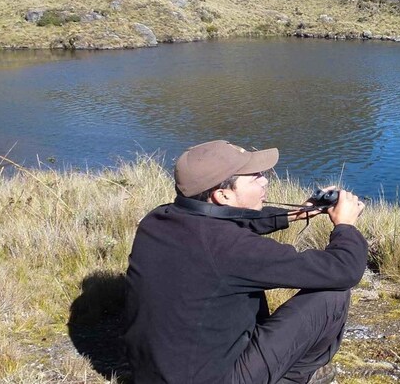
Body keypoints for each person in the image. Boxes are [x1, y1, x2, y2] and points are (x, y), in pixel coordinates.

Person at [123, 140, 367, 384]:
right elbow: (344, 269)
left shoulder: (156, 220)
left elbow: (227, 221)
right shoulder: (231, 248)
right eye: (255, 177)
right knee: (332, 297)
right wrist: (345, 226)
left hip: (154, 374)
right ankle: (293, 378)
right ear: (223, 194)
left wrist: (293, 214)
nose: (265, 180)